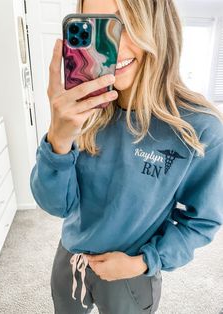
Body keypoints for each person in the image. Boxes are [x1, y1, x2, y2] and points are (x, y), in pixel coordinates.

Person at [30, 0, 223, 313]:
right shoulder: (83, 112)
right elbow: (56, 205)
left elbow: (201, 222)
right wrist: (59, 136)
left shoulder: (199, 129)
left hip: (131, 272)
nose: (113, 43)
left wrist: (142, 263)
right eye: (99, 26)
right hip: (70, 257)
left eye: (125, 22)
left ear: (157, 25)